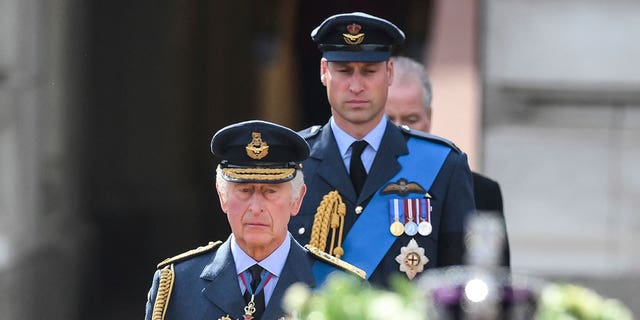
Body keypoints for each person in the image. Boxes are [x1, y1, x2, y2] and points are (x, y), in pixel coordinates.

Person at [289, 12, 477, 288]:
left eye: (369, 71)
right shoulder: (291, 163)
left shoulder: (443, 165)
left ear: (389, 72)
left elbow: (461, 280)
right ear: (323, 72)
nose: (356, 86)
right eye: (344, 71)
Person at [144, 120, 363, 320]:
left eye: (270, 191)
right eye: (245, 190)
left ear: (297, 200)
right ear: (223, 196)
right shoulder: (179, 284)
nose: (256, 208)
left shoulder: (340, 287)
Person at [385, 56, 511, 266]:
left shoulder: (481, 192)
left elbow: (495, 281)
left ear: (429, 117)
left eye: (411, 119)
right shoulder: (353, 184)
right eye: (388, 120)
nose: (401, 130)